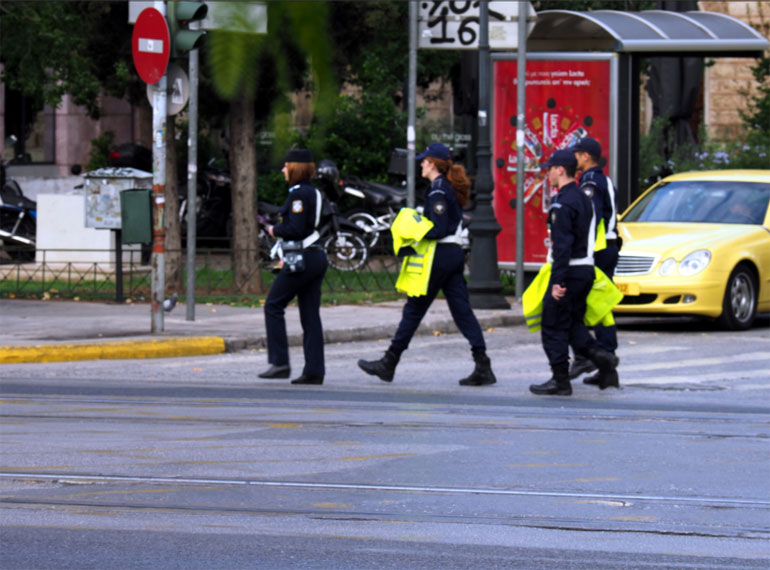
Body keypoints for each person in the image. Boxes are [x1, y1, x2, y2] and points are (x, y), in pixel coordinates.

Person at [358, 143, 496, 386]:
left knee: (414, 309)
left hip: (441, 256)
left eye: (424, 161)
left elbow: (439, 228)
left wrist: (412, 229)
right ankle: (482, 364)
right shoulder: (443, 188)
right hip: (452, 255)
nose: (421, 164)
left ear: (432, 163)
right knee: (462, 311)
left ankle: (389, 363)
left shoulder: (438, 190)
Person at [530, 149, 619, 396]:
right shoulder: (583, 198)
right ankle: (601, 358)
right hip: (586, 270)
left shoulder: (562, 202)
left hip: (569, 271)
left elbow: (562, 246)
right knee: (573, 325)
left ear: (560, 170)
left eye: (550, 169)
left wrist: (558, 280)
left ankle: (560, 380)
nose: (547, 174)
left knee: (552, 325)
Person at [258, 149, 328, 385]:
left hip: (303, 258)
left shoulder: (298, 195)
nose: (283, 170)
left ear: (296, 168)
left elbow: (296, 229)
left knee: (273, 305)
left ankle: (280, 362)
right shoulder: (315, 192)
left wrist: (273, 230)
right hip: (315, 256)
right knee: (310, 316)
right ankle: (314, 370)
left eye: (286, 166)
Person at [568, 138, 621, 387]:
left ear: (586, 156)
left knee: (578, 302)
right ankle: (606, 360)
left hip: (598, 249)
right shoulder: (604, 180)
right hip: (608, 246)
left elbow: (590, 217)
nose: (573, 159)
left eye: (576, 155)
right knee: (601, 304)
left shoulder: (590, 182)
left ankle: (589, 354)